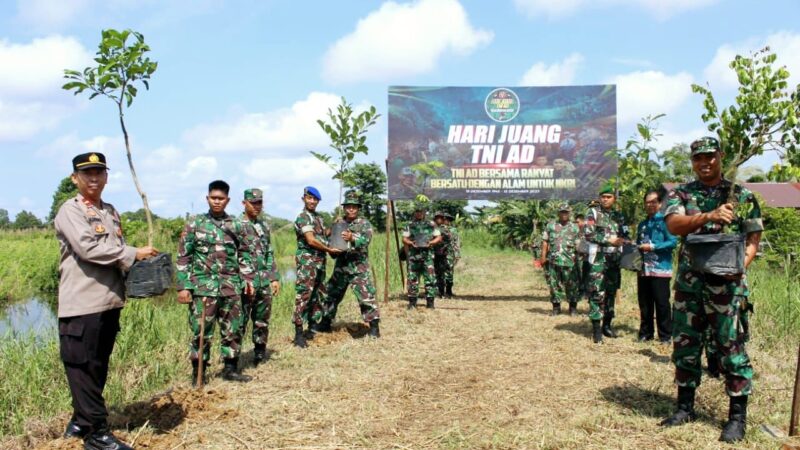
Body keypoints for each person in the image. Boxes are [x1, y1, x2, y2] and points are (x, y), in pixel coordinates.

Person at [660, 137, 762, 443]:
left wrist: (740, 266)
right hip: (690, 286)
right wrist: (709, 215)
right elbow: (674, 225)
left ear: (721, 156)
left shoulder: (741, 195)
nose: (704, 162)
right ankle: (684, 407)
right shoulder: (681, 193)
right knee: (686, 345)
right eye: (698, 158)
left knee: (731, 349)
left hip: (728, 289)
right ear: (692, 161)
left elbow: (753, 237)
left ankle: (736, 418)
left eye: (710, 156)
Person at [55, 152, 158, 449]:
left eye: (99, 172)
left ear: (107, 176)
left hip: (109, 301)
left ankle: (79, 420)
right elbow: (89, 250)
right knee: (82, 367)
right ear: (75, 178)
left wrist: (139, 265)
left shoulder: (110, 211)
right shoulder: (70, 210)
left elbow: (117, 250)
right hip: (82, 303)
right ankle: (96, 434)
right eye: (87, 173)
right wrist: (132, 254)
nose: (94, 178)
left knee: (97, 366)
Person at [177, 180, 254, 384]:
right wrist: (184, 286)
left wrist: (247, 278)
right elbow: (184, 256)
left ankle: (230, 369)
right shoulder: (195, 224)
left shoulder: (236, 225)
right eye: (213, 198)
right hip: (203, 288)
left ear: (227, 200)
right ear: (207, 198)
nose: (217, 202)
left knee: (233, 329)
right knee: (201, 332)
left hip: (230, 286)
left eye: (221, 199)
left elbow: (245, 253)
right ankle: (198, 373)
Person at [317, 190, 381, 337]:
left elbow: (366, 241)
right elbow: (331, 242)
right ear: (344, 208)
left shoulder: (364, 224)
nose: (351, 209)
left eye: (354, 207)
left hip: (359, 267)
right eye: (348, 206)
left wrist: (353, 237)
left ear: (358, 208)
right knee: (331, 295)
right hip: (341, 266)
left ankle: (374, 327)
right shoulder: (339, 223)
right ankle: (325, 323)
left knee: (366, 297)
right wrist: (331, 248)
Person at [293, 186, 341, 347]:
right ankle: (299, 333)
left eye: (315, 199)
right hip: (308, 262)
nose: (312, 201)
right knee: (304, 296)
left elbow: (322, 234)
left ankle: (312, 327)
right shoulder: (303, 217)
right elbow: (311, 240)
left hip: (319, 262)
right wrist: (329, 249)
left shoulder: (318, 218)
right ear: (304, 199)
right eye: (309, 198)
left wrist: (333, 226)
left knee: (318, 295)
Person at [239, 188, 280, 366]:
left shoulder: (263, 226)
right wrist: (241, 278)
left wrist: (274, 277)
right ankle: (232, 359)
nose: (256, 206)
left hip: (263, 281)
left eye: (259, 203)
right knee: (239, 321)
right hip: (245, 282)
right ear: (244, 203)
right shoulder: (235, 225)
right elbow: (230, 256)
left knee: (262, 319)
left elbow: (268, 252)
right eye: (253, 203)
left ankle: (259, 353)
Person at [584, 184, 629, 342]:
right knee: (597, 292)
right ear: (599, 198)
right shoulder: (593, 213)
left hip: (614, 260)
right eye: (603, 197)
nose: (605, 199)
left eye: (609, 197)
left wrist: (624, 240)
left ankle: (607, 326)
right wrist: (608, 240)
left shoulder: (619, 216)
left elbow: (625, 234)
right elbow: (588, 234)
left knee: (611, 292)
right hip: (599, 259)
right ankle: (596, 330)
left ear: (614, 199)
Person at [636, 189, 677, 343]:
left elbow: (673, 242)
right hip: (643, 269)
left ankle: (665, 335)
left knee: (661, 304)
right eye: (647, 202)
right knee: (645, 303)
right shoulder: (643, 224)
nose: (650, 205)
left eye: (654, 202)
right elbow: (638, 244)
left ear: (660, 204)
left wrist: (653, 247)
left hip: (660, 269)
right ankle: (646, 333)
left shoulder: (666, 222)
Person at [539, 203, 581, 316]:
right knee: (554, 285)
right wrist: (543, 256)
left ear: (569, 213)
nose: (564, 214)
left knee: (572, 285)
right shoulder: (550, 226)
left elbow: (578, 245)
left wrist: (580, 258)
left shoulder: (575, 227)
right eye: (562, 212)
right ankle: (556, 308)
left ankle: (573, 309)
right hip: (553, 261)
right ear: (558, 213)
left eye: (566, 212)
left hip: (570, 261)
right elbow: (545, 241)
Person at [402, 202, 442, 309]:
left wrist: (431, 243)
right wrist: (410, 243)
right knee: (412, 280)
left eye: (421, 212)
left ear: (424, 212)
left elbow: (438, 237)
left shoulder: (432, 224)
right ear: (415, 213)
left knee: (430, 279)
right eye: (417, 212)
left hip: (427, 257)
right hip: (414, 257)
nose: (419, 213)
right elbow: (404, 238)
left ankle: (430, 303)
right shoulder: (409, 225)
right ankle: (412, 303)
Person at [433, 211, 453, 298]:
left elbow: (447, 239)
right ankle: (438, 292)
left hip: (441, 254)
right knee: (435, 273)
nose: (439, 219)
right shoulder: (434, 228)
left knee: (441, 273)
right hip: (434, 254)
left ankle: (441, 292)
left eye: (441, 218)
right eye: (437, 217)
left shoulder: (443, 229)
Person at [444, 211, 461, 298]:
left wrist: (457, 255)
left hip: (449, 254)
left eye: (447, 220)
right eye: (444, 219)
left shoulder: (453, 230)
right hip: (439, 254)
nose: (445, 221)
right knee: (439, 273)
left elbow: (456, 243)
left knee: (449, 272)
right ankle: (440, 291)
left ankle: (449, 291)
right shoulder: (437, 229)